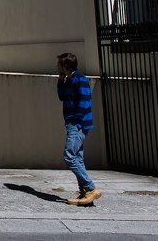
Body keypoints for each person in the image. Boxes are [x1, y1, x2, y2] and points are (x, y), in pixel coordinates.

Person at [57, 52, 101, 205]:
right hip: (72, 123)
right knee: (78, 158)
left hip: (78, 124)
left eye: (59, 65)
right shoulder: (69, 79)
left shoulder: (80, 79)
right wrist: (61, 81)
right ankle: (85, 193)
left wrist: (76, 122)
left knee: (69, 156)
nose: (57, 67)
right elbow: (62, 97)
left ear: (65, 66)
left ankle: (91, 188)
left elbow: (85, 101)